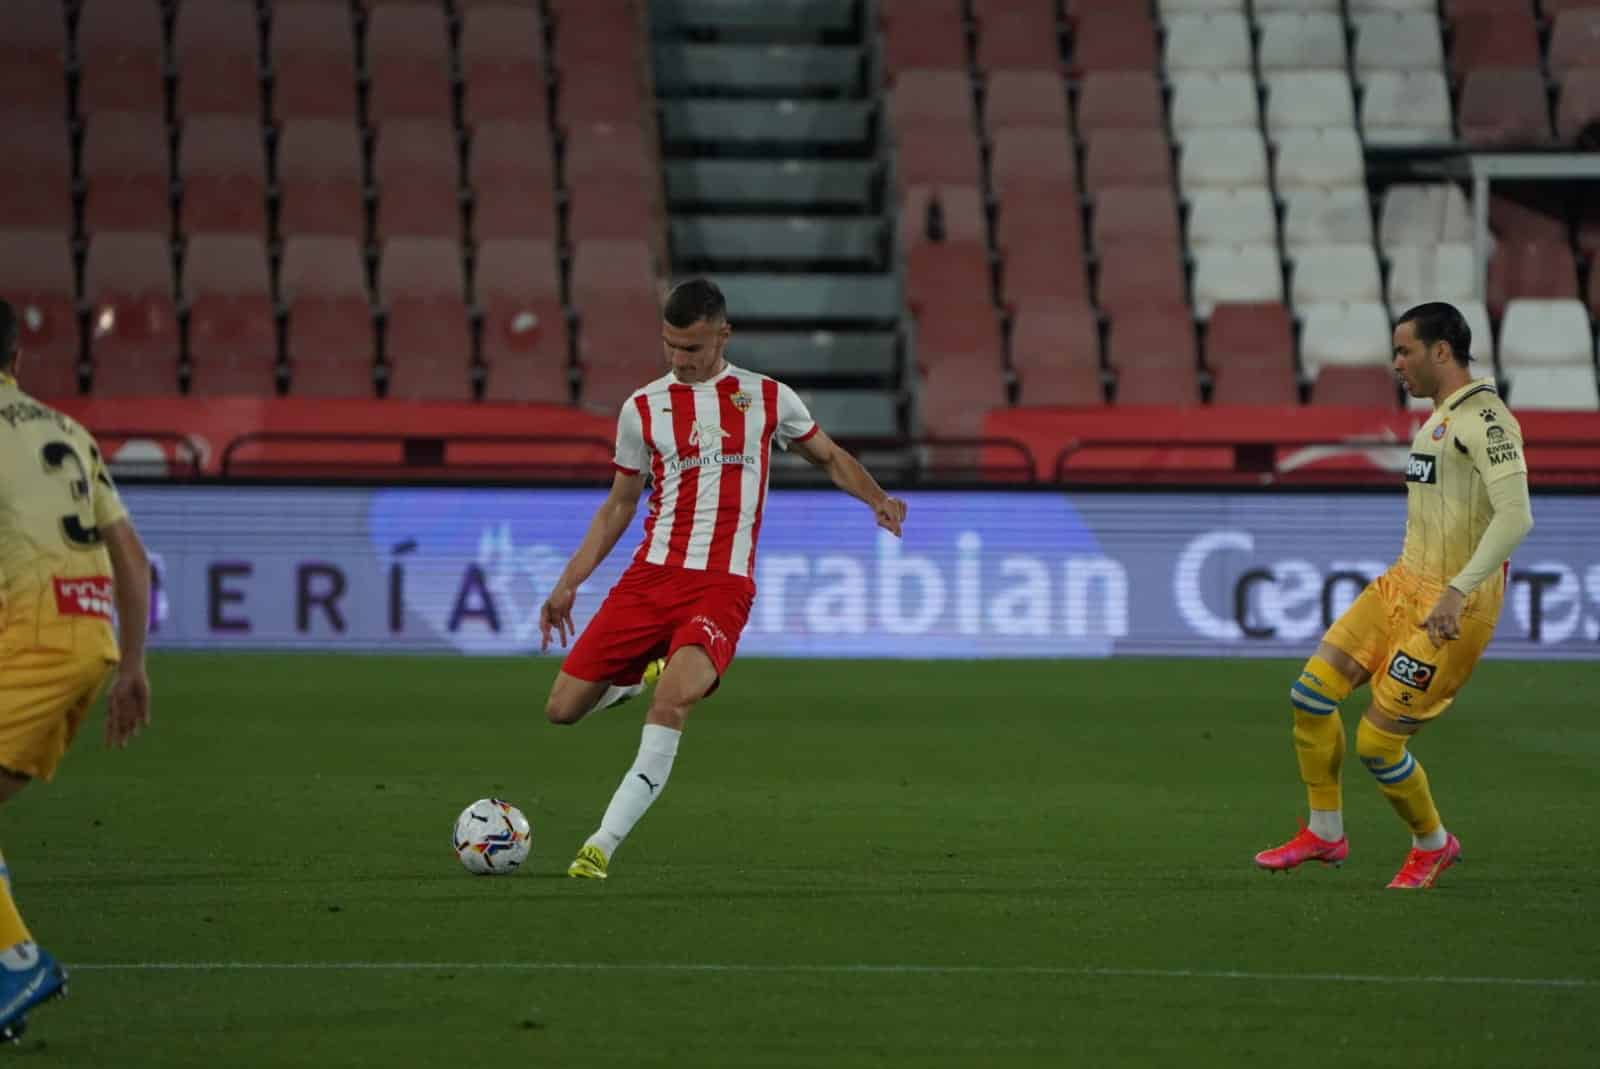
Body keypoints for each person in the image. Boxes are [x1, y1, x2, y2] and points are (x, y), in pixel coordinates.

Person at [538, 279, 907, 880]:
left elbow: (830, 456)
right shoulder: (643, 408)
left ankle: (600, 844)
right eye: (670, 347)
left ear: (722, 336)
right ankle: (638, 676)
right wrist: (568, 582)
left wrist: (877, 498)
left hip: (721, 586)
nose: (679, 361)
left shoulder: (766, 398)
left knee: (672, 702)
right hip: (649, 578)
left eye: (692, 349)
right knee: (561, 709)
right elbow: (619, 505)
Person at [1254, 302, 1533, 889]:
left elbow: (1516, 517)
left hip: (1456, 605)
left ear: (1440, 352)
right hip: (1402, 583)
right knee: (1310, 697)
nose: (1396, 363)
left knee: (1378, 743)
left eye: (1404, 351)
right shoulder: (1436, 420)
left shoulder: (1487, 421)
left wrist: (1457, 591)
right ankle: (1326, 834)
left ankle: (1432, 844)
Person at [0, 298, 152, 1039]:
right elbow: (131, 554)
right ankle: (8, 980)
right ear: (16, 361)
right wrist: (133, 664)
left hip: (28, 635)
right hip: (88, 635)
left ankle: (15, 960)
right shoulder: (66, 430)